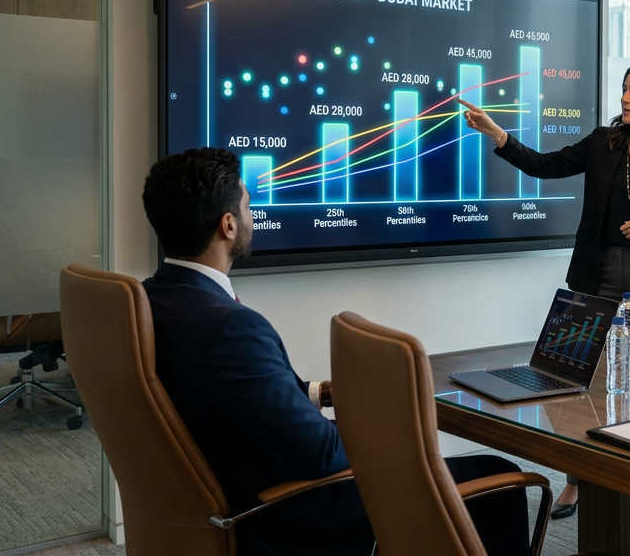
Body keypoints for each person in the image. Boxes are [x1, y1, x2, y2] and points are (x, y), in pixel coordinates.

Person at [141, 148, 530, 556]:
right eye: (249, 206)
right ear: (228, 224)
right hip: (289, 513)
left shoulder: (154, 301)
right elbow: (321, 455)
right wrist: (390, 437)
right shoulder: (231, 328)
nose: (253, 215)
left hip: (231, 489)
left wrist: (320, 393)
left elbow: (237, 395)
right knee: (497, 478)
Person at [462, 60, 630, 518]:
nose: (624, 98)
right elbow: (544, 165)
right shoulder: (602, 142)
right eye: (624, 89)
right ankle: (575, 480)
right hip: (598, 276)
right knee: (580, 384)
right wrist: (497, 134)